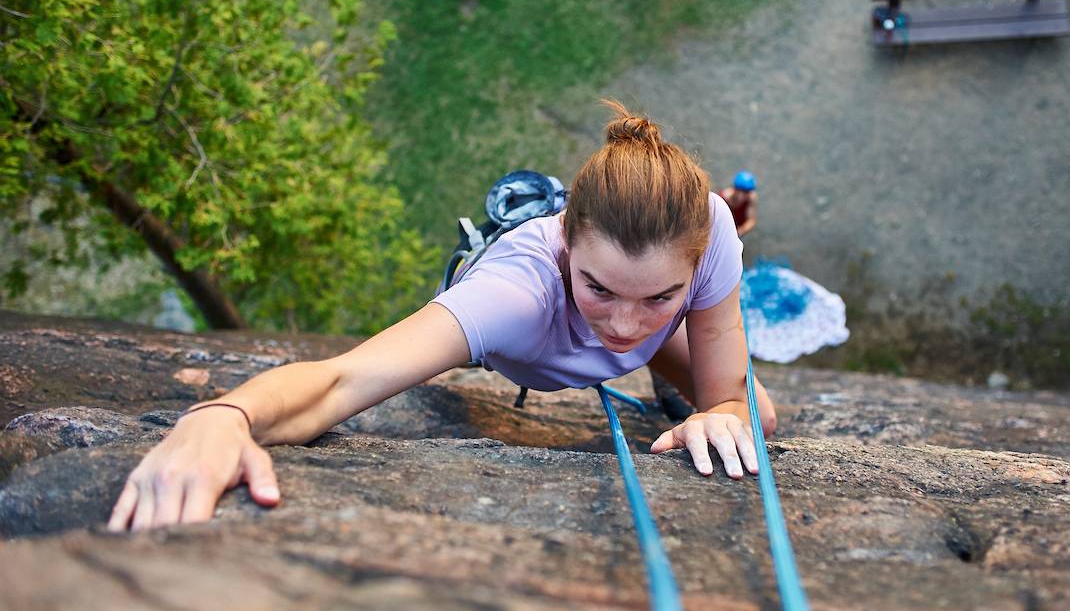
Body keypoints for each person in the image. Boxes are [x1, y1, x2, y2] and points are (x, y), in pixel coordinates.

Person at [107, 100, 777, 532]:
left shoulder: (711, 225)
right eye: (599, 287)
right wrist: (224, 418)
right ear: (566, 240)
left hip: (630, 338)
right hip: (536, 342)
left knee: (756, 416)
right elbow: (341, 382)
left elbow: (726, 396)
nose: (628, 324)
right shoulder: (515, 297)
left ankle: (660, 366)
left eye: (662, 297)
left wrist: (717, 408)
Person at [719, 170, 759, 238]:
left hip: (736, 228)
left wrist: (739, 232)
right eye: (745, 191)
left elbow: (751, 220)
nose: (747, 195)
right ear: (735, 189)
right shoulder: (723, 198)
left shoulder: (751, 198)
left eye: (748, 192)